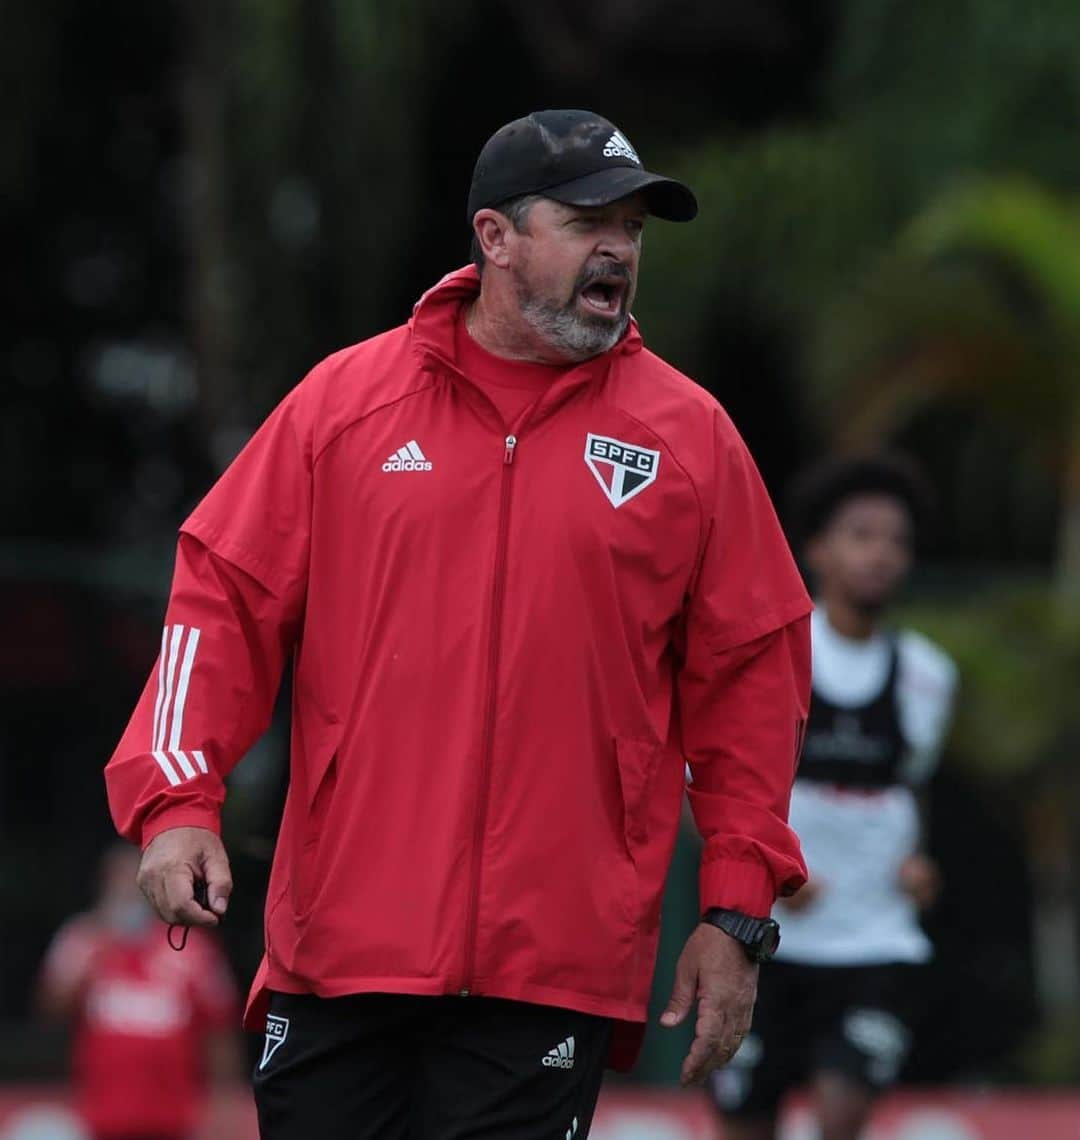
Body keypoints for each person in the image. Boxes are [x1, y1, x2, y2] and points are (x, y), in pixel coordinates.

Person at [105, 108, 813, 1140]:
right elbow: (221, 598)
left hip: (554, 966)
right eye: (585, 222)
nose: (617, 248)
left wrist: (736, 913)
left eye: (632, 228)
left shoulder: (691, 439)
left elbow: (754, 677)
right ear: (495, 238)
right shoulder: (343, 406)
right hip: (338, 951)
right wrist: (177, 801)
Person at [708, 453, 959, 1140]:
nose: (882, 554)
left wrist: (919, 862)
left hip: (876, 941)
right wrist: (769, 875)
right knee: (745, 1122)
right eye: (862, 534)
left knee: (842, 1112)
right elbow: (712, 781)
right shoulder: (778, 657)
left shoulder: (928, 676)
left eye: (897, 540)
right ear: (816, 548)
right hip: (771, 941)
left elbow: (912, 789)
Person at [37, 844, 242, 1140]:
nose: (128, 893)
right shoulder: (81, 941)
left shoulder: (192, 948)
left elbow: (220, 1030)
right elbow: (50, 1011)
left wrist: (225, 1103)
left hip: (175, 1117)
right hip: (101, 1115)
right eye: (119, 882)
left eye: (135, 883)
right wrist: (89, 957)